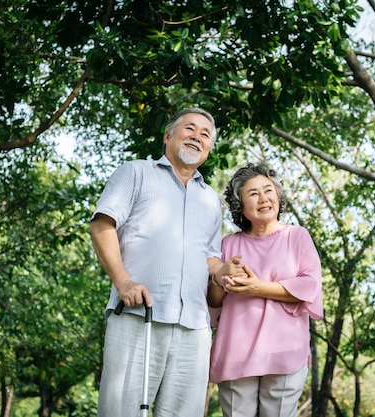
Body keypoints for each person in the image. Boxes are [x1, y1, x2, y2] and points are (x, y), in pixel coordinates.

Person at [90, 108, 239, 417]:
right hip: (137, 316)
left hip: (194, 327)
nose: (197, 137)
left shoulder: (211, 199)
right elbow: (102, 226)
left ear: (209, 149)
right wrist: (123, 281)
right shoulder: (135, 172)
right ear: (168, 135)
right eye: (190, 129)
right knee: (122, 412)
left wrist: (223, 271)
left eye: (205, 134)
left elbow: (209, 258)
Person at [208, 162, 324, 417]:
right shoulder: (228, 244)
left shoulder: (297, 236)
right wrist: (220, 279)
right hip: (235, 350)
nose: (263, 198)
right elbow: (214, 302)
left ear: (278, 196)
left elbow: (310, 287)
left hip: (284, 350)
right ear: (240, 204)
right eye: (253, 193)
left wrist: (258, 288)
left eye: (268, 190)